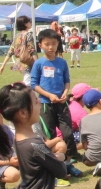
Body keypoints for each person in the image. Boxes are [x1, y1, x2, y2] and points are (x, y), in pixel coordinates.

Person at [30, 28, 79, 162]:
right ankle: (54, 158)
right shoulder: (38, 63)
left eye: (54, 43)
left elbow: (67, 81)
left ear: (58, 43)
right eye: (47, 44)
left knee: (67, 132)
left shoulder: (62, 62)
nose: (51, 47)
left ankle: (71, 156)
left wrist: (65, 93)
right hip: (45, 104)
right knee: (49, 134)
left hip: (62, 103)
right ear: (40, 45)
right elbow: (33, 84)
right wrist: (49, 95)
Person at [0, 15, 36, 82]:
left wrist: (3, 65)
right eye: (29, 21)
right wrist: (37, 63)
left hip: (19, 63)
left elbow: (10, 51)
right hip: (28, 63)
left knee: (28, 80)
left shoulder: (17, 36)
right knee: (29, 83)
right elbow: (32, 50)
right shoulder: (28, 35)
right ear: (25, 24)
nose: (31, 23)